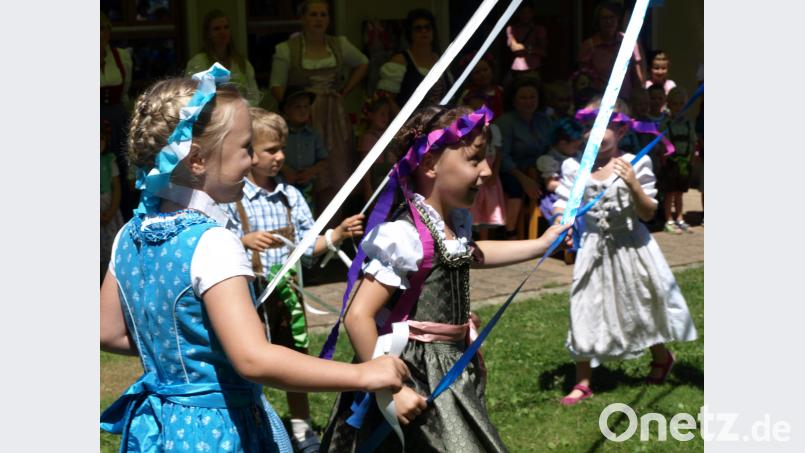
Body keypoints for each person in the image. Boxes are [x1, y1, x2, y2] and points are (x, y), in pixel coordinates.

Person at [99, 67, 408, 452]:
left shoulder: (129, 235)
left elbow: (107, 332)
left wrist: (177, 354)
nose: (250, 161)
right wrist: (362, 374)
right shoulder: (213, 242)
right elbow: (253, 359)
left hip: (160, 428)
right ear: (197, 160)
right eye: (245, 147)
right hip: (219, 431)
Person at [319, 104, 571, 451]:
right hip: (413, 371)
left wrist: (541, 245)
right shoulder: (404, 236)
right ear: (429, 164)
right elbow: (358, 316)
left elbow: (474, 254)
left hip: (449, 364)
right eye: (474, 158)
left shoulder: (453, 224)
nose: (486, 171)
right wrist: (391, 389)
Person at [223, 108, 366, 453]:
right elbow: (215, 241)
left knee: (292, 357)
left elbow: (308, 247)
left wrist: (337, 234)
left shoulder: (291, 196)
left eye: (281, 148)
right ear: (248, 153)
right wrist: (242, 241)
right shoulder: (232, 198)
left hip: (287, 295)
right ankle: (245, 424)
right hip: (247, 296)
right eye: (271, 150)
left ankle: (301, 429)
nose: (280, 157)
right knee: (244, 361)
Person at [551, 97, 697, 406]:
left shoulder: (636, 162)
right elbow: (564, 204)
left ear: (620, 131)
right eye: (590, 126)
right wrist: (562, 226)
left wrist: (633, 184)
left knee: (639, 303)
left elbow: (647, 212)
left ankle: (661, 357)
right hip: (592, 249)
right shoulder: (574, 166)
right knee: (584, 305)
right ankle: (583, 380)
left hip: (632, 247)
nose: (596, 133)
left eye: (605, 127)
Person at [270, 0, 369, 203]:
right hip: (304, 114)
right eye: (313, 14)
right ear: (303, 18)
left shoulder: (338, 44)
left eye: (323, 15)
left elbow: (363, 63)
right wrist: (293, 112)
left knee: (335, 169)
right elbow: (276, 85)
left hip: (333, 117)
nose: (319, 19)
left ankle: (334, 225)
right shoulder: (287, 49)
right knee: (304, 164)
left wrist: (344, 91)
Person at [496, 76, 552, 238]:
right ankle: (508, 232)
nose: (528, 101)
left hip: (538, 169)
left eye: (532, 97)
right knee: (516, 187)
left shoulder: (544, 120)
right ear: (513, 100)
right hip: (511, 171)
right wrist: (524, 179)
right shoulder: (505, 122)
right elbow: (503, 158)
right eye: (523, 97)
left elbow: (550, 147)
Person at [376, 8, 454, 108]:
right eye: (418, 28)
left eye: (427, 27)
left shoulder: (441, 60)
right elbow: (387, 100)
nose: (423, 31)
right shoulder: (400, 61)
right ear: (410, 33)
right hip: (409, 122)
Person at [101, 12, 136, 219]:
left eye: (102, 28)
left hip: (117, 120)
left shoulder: (121, 57)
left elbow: (125, 93)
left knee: (123, 174)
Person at [185, 9, 261, 106]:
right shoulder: (198, 63)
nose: (223, 32)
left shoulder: (242, 63)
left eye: (226, 27)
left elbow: (254, 96)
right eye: (217, 29)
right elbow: (192, 97)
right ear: (208, 34)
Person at [578, 1, 645, 101]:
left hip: (626, 102)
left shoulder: (629, 42)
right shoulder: (589, 45)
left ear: (618, 19)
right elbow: (582, 78)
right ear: (598, 21)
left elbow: (638, 76)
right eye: (604, 18)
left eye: (612, 17)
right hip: (598, 102)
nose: (608, 21)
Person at [280, 86, 329, 216]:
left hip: (308, 188)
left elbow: (323, 160)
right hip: (282, 185)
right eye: (297, 107)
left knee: (306, 216)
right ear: (286, 110)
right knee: (285, 217)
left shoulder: (313, 135)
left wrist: (310, 172)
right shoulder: (280, 134)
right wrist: (285, 170)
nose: (303, 111)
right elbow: (269, 155)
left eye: (306, 107)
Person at [464, 93, 507, 238]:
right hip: (473, 173)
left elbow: (499, 153)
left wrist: (494, 173)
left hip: (490, 174)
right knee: (472, 206)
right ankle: (469, 237)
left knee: (488, 207)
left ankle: (484, 239)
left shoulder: (493, 129)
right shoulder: (467, 131)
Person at [659, 87, 698, 234]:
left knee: (680, 193)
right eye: (675, 103)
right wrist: (663, 156)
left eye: (682, 103)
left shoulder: (688, 123)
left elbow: (693, 141)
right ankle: (668, 219)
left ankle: (680, 218)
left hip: (684, 163)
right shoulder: (666, 123)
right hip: (670, 163)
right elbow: (662, 141)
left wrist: (692, 158)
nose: (678, 107)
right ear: (669, 104)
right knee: (669, 192)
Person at [357, 93, 396, 202]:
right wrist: (368, 190)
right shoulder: (368, 138)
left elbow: (400, 115)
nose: (386, 118)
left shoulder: (388, 134)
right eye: (382, 114)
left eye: (387, 114)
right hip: (376, 186)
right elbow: (365, 169)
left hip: (390, 184)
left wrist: (388, 98)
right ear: (371, 115)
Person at [100, 120, 124, 284]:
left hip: (108, 207)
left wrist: (111, 211)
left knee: (110, 246)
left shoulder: (109, 160)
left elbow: (116, 187)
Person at [505, 1, 548, 79]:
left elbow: (543, 51)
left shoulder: (538, 29)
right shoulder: (513, 29)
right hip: (517, 68)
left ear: (532, 13)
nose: (525, 15)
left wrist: (527, 49)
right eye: (523, 13)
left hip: (533, 68)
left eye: (528, 12)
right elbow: (512, 47)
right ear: (518, 13)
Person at [458, 53, 505, 118]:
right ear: (470, 77)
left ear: (492, 70)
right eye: (477, 72)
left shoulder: (500, 90)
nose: (482, 75)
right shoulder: (468, 95)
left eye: (485, 70)